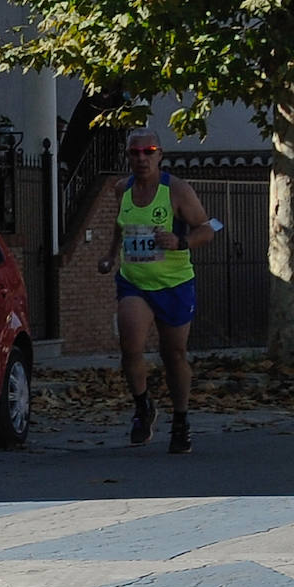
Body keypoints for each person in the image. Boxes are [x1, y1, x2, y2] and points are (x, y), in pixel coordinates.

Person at [96, 129, 214, 453]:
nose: (141, 158)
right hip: (134, 281)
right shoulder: (123, 189)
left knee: (173, 354)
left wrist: (182, 242)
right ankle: (143, 406)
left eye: (148, 151)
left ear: (160, 154)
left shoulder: (177, 190)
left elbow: (210, 227)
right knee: (130, 345)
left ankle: (180, 419)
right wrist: (110, 254)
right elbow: (122, 224)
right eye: (134, 153)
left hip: (174, 284)